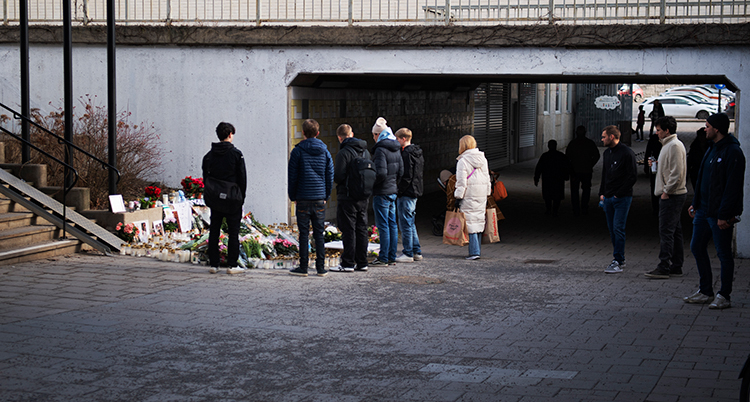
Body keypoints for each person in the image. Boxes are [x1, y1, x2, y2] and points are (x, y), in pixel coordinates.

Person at [685, 113, 745, 309]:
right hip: (703, 210)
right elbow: (703, 179)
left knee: (723, 254)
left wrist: (724, 215)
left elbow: (732, 187)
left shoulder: (732, 152)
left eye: (708, 126)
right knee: (696, 247)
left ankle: (724, 295)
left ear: (717, 129)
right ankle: (705, 291)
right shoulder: (711, 149)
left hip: (719, 214)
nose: (705, 129)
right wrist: (696, 202)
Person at [287, 119, 334, 277]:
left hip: (303, 198)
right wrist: (326, 194)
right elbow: (329, 175)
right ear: (318, 133)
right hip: (319, 197)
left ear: (303, 133)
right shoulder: (325, 151)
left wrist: (293, 196)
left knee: (304, 233)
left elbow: (292, 176)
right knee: (319, 233)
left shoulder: (298, 151)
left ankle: (303, 267)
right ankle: (321, 268)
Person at [644, 116, 688, 279]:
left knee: (666, 230)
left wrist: (666, 191)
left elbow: (676, 172)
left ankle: (664, 265)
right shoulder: (668, 145)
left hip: (673, 195)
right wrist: (655, 165)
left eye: (659, 130)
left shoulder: (674, 146)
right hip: (672, 193)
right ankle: (676, 265)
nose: (657, 133)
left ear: (667, 130)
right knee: (674, 230)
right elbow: (668, 170)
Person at [202, 122, 247, 275]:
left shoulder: (209, 156)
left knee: (214, 229)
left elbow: (205, 178)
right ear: (230, 135)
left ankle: (214, 264)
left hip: (215, 198)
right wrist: (241, 197)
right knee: (233, 232)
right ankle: (232, 265)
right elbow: (242, 178)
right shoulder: (236, 154)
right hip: (233, 199)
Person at [330, 124, 371, 273]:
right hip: (363, 196)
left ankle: (347, 263)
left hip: (347, 196)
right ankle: (362, 262)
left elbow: (339, 176)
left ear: (340, 138)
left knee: (349, 229)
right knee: (361, 228)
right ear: (352, 134)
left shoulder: (344, 153)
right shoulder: (365, 151)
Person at [599, 125, 637, 274]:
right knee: (612, 229)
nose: (602, 139)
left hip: (621, 198)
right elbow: (605, 174)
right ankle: (619, 257)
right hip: (608, 197)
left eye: (604, 137)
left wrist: (619, 194)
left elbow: (632, 176)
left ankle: (618, 260)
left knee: (618, 228)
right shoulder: (607, 153)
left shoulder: (627, 153)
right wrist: (602, 193)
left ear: (612, 137)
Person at [370, 117, 403, 266]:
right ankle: (392, 256)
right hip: (392, 191)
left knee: (383, 225)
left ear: (378, 135)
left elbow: (381, 173)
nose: (373, 138)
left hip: (382, 192)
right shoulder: (396, 148)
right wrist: (393, 183)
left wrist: (373, 184)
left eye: (374, 135)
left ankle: (383, 258)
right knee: (392, 225)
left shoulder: (380, 150)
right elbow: (401, 171)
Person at [454, 135, 491, 260]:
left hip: (469, 193)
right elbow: (487, 178)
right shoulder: (483, 159)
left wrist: (458, 197)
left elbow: (461, 182)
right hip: (481, 193)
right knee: (478, 220)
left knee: (470, 223)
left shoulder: (462, 161)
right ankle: (477, 249)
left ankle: (474, 252)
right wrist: (487, 192)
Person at [395, 127, 424, 263]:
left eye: (398, 139)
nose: (396, 141)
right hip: (416, 190)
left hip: (407, 192)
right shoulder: (417, 152)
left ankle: (408, 252)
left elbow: (406, 176)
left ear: (403, 139)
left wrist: (399, 190)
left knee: (405, 222)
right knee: (411, 222)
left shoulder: (406, 154)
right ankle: (416, 250)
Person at [565, 126, 600, 216]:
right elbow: (596, 155)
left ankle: (576, 209)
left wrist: (570, 169)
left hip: (575, 171)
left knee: (574, 191)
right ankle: (584, 207)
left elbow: (567, 158)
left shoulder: (573, 144)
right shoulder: (589, 143)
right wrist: (590, 164)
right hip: (586, 171)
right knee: (586, 190)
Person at [534, 139, 570, 217]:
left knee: (548, 195)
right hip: (558, 179)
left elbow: (539, 168)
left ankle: (548, 209)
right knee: (557, 195)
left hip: (548, 178)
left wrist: (536, 178)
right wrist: (567, 176)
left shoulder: (545, 156)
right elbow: (567, 166)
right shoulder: (561, 156)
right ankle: (555, 210)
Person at [644, 130, 663, 216]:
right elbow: (648, 151)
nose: (656, 132)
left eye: (658, 130)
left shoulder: (670, 144)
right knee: (654, 187)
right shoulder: (655, 138)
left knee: (655, 187)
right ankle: (656, 208)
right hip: (654, 166)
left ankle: (657, 208)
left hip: (658, 167)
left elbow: (648, 151)